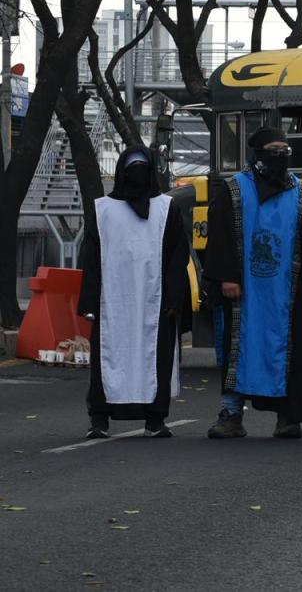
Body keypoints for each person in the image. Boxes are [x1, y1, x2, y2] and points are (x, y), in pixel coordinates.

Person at [204, 126, 302, 439]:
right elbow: (220, 234)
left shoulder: (300, 191)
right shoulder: (234, 188)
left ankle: (287, 418)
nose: (279, 156)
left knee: (287, 352)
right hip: (243, 291)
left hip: (285, 294)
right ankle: (231, 414)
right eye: (272, 150)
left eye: (284, 150)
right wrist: (227, 276)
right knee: (237, 350)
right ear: (258, 153)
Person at [78, 146, 190, 439]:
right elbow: (90, 258)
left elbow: (179, 257)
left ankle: (155, 419)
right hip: (111, 303)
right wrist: (89, 302)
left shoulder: (167, 208)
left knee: (156, 359)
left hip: (155, 301)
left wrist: (174, 296)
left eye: (142, 167)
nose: (137, 174)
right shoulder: (103, 210)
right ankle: (99, 419)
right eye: (132, 168)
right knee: (107, 359)